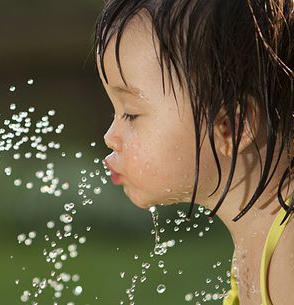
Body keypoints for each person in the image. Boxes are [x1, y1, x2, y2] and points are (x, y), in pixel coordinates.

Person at [94, 1, 293, 304]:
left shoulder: (289, 255)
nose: (110, 137)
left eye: (131, 114)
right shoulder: (258, 237)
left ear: (231, 126)